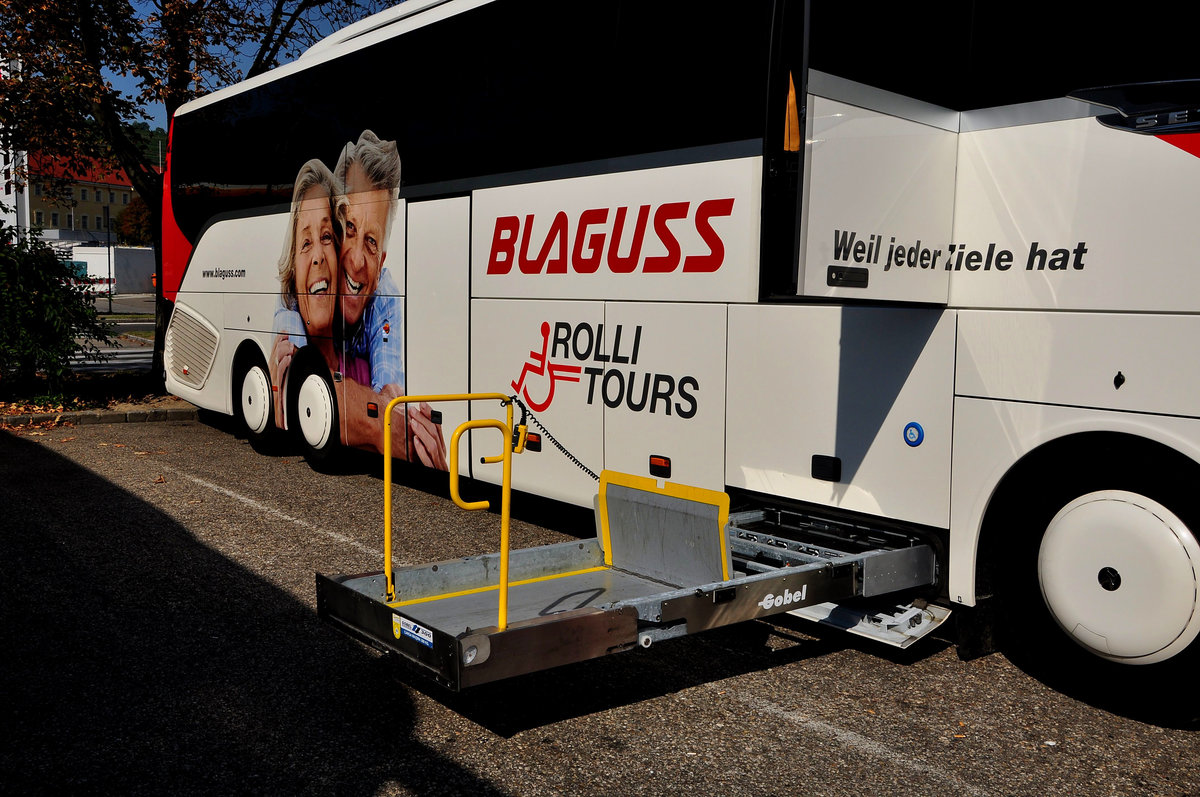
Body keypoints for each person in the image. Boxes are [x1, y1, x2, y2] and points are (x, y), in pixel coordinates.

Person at [334, 130, 447, 469]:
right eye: (349, 229)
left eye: (371, 242)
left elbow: (388, 386)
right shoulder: (303, 281)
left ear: (382, 260)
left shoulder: (385, 296)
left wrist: (404, 422)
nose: (356, 261)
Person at [270, 159, 342, 426]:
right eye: (306, 243)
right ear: (293, 267)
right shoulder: (287, 325)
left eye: (326, 237)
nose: (317, 258)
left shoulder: (364, 362)